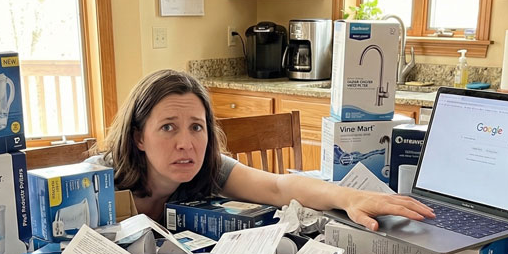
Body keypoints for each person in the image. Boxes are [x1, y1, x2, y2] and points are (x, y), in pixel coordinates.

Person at [94, 69, 434, 230]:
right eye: (168, 127)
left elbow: (278, 186)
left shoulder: (209, 168)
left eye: (197, 127)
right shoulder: (95, 184)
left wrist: (348, 197)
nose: (186, 143)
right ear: (139, 137)